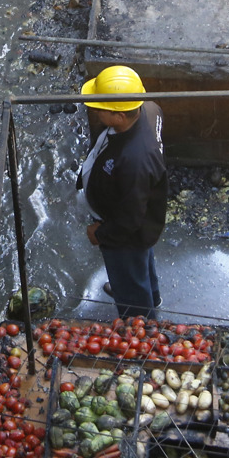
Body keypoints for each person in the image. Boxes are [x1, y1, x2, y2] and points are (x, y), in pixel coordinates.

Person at [76, 66, 167, 317]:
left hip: (128, 231)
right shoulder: (149, 108)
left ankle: (139, 320)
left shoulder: (135, 161)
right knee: (142, 262)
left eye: (98, 107)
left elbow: (129, 220)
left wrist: (102, 233)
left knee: (127, 268)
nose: (93, 109)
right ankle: (150, 295)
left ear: (118, 117)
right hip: (145, 219)